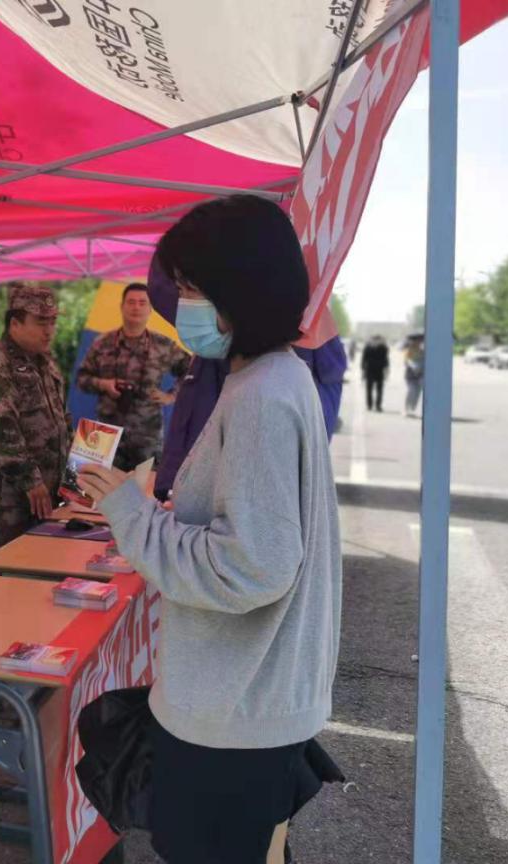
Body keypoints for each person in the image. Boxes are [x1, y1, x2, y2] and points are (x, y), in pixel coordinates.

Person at [78, 195, 342, 864]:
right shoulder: (276, 378)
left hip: (235, 712)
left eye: (193, 289)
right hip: (254, 701)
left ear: (238, 290)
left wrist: (133, 514)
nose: (180, 305)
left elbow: (250, 566)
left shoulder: (260, 398)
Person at [146, 252, 345, 502]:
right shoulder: (225, 349)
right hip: (197, 496)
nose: (184, 300)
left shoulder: (274, 373)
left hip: (218, 502)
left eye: (190, 290)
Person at [0, 282, 72, 555]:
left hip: (49, 498)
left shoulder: (45, 361)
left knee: (45, 567)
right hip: (10, 504)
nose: (49, 330)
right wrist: (32, 481)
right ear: (15, 323)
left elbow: (62, 417)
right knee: (5, 570)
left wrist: (77, 470)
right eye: (40, 322)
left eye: (52, 322)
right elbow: (0, 430)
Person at [75, 283, 190, 470]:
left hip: (147, 436)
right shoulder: (102, 342)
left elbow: (191, 371)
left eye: (142, 303)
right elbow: (81, 379)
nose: (136, 307)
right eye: (131, 302)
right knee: (91, 484)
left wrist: (172, 395)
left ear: (150, 309)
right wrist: (103, 384)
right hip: (104, 431)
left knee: (143, 488)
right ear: (122, 307)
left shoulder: (163, 345)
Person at [361, 334, 390, 412]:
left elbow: (364, 359)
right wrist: (387, 369)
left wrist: (363, 370)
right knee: (375, 389)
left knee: (374, 389)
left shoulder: (381, 347)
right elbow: (364, 359)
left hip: (373, 370)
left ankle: (373, 405)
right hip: (374, 370)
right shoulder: (382, 347)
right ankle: (375, 406)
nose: (376, 341)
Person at [404, 334, 425, 416]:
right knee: (411, 391)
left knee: (417, 393)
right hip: (410, 374)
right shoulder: (409, 350)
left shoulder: (422, 351)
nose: (418, 342)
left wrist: (421, 367)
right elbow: (407, 361)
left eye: (420, 341)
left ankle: (412, 409)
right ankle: (406, 409)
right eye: (417, 341)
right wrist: (414, 366)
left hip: (420, 374)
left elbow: (424, 361)